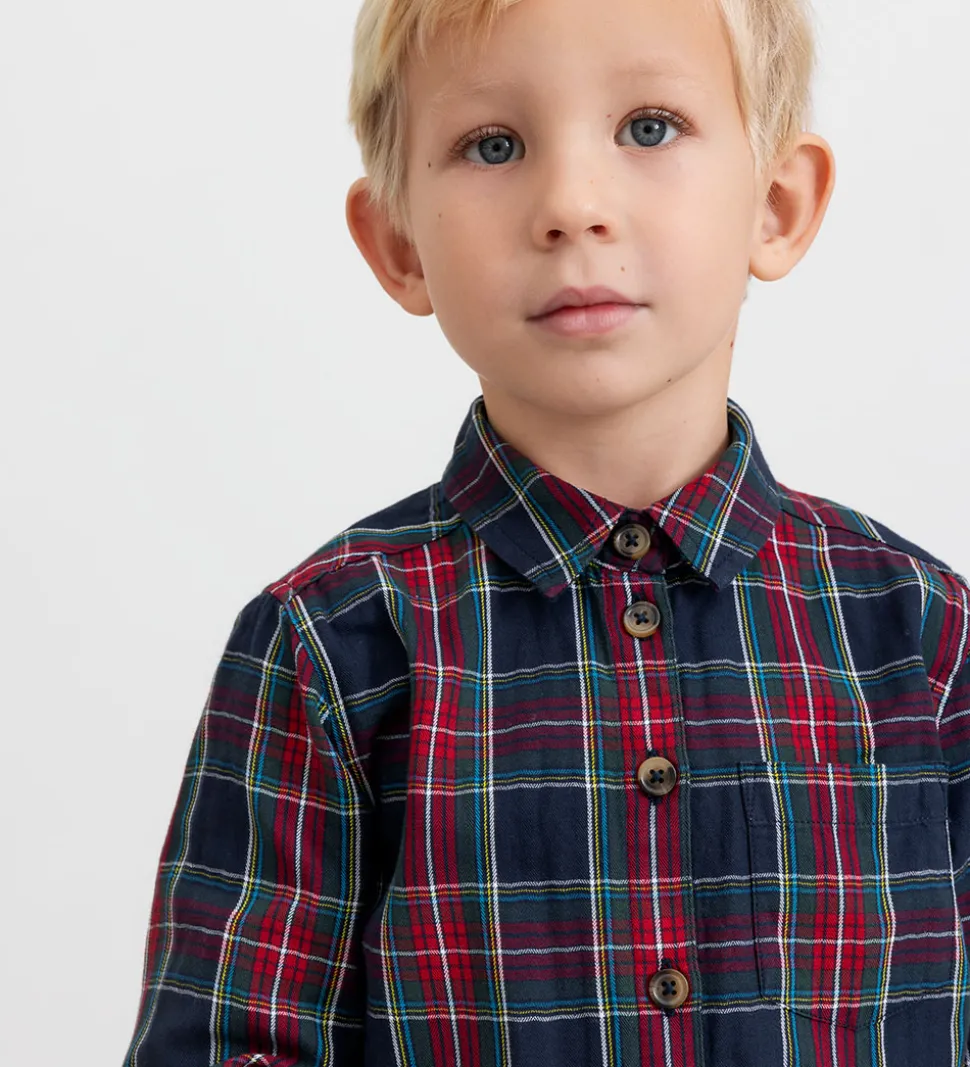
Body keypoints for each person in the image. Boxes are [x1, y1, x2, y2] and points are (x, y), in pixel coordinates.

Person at [121, 0, 970, 1062]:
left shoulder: (925, 637)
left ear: (776, 204)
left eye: (649, 127)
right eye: (494, 145)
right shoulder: (326, 647)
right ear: (399, 244)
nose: (571, 205)